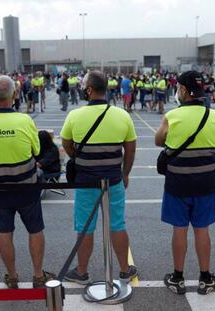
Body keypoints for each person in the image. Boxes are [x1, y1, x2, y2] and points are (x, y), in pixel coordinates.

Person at [61, 71, 138, 285]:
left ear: (89, 90)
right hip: (113, 179)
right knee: (117, 224)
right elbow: (130, 150)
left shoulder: (74, 116)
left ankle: (82, 272)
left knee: (85, 227)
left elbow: (66, 143)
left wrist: (78, 156)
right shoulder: (122, 115)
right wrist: (125, 174)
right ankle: (124, 269)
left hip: (86, 181)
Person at [0, 75, 54, 289]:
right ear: (14, 94)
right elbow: (37, 151)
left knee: (4, 230)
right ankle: (38, 275)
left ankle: (12, 276)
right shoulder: (24, 120)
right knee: (35, 229)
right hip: (26, 185)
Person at [155, 71, 215, 295]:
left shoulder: (172, 116)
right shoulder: (214, 116)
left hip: (177, 184)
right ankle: (205, 277)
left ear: (183, 90)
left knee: (180, 229)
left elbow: (159, 140)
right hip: (205, 183)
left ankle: (178, 277)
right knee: (202, 229)